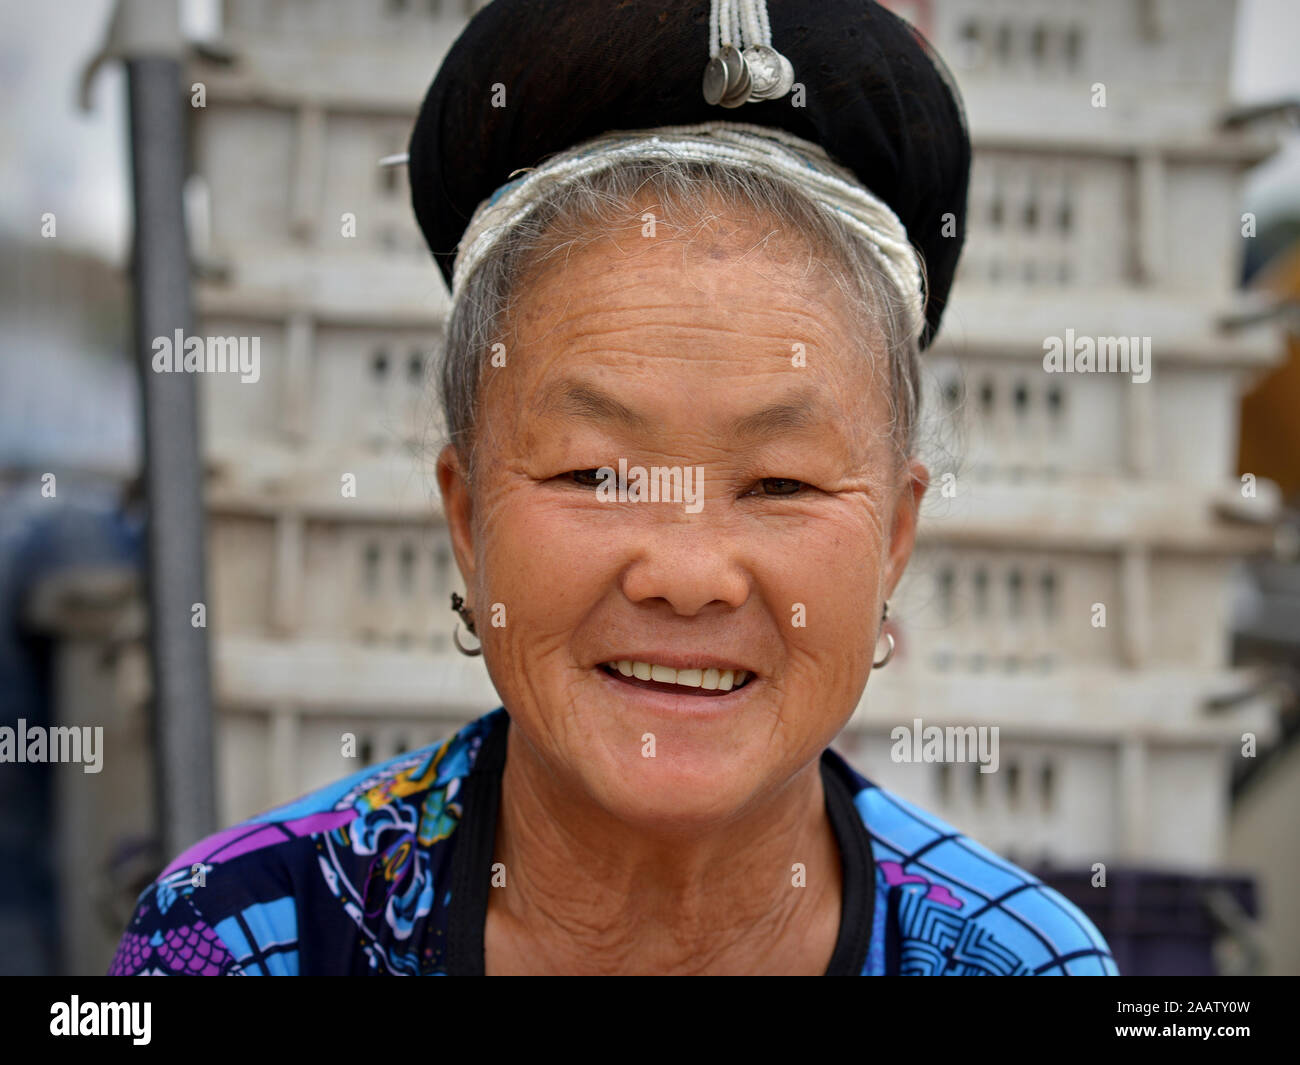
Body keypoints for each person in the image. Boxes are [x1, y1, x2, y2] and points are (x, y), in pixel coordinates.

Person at [110, 0, 1118, 975]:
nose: (688, 575)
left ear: (893, 536)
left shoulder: (1022, 963)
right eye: (595, 473)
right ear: (467, 517)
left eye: (777, 482)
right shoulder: (244, 938)